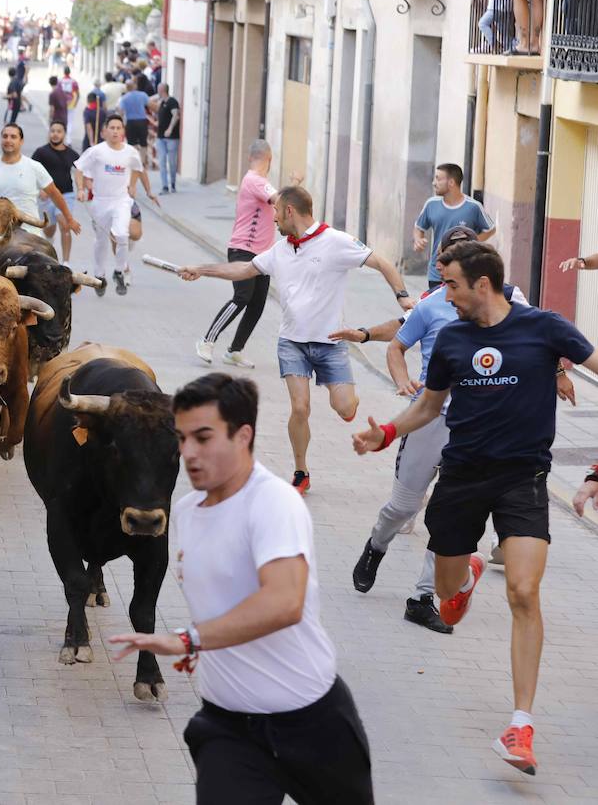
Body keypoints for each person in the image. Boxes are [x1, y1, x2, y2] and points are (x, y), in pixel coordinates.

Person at [352, 240, 598, 776]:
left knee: (524, 592)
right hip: (461, 476)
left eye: (454, 285)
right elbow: (429, 405)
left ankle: (521, 724)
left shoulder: (545, 327)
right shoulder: (453, 340)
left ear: (481, 284)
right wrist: (388, 431)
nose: (447, 294)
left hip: (522, 477)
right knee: (443, 596)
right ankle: (462, 581)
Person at [111, 374, 373, 805]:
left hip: (310, 722)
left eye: (203, 437)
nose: (189, 453)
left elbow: (284, 602)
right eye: (181, 438)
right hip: (228, 727)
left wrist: (189, 640)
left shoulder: (273, 504)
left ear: (243, 435)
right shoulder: (187, 510)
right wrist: (207, 649)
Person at [333, 228, 558, 633]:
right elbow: (397, 342)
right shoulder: (434, 303)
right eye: (443, 261)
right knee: (404, 506)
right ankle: (376, 545)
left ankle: (422, 596)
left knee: (449, 512)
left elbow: (538, 333)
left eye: (453, 263)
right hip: (429, 417)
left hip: (478, 427)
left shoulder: (512, 299)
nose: (444, 273)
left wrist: (556, 371)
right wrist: (400, 380)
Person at [179, 186, 416, 495]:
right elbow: (243, 269)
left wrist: (403, 298)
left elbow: (382, 263)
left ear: (290, 211)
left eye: (276, 212)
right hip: (292, 342)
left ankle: (347, 400)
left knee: (345, 408)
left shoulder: (336, 242)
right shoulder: (280, 250)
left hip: (330, 342)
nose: (274, 218)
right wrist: (201, 269)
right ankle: (301, 471)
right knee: (300, 408)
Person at [196, 140, 282, 369]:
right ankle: (207, 341)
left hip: (262, 254)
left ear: (249, 157)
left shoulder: (259, 182)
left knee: (257, 304)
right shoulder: (255, 180)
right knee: (242, 297)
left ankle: (234, 351)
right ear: (270, 159)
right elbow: (279, 201)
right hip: (243, 249)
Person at [76, 115, 161, 297]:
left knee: (122, 234)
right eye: (112, 128)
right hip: (100, 202)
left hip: (122, 201)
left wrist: (148, 191)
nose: (115, 131)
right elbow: (79, 168)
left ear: (123, 131)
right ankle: (99, 277)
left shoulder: (130, 152)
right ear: (105, 131)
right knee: (101, 241)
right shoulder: (96, 151)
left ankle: (119, 271)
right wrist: (81, 189)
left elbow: (140, 170)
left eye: (118, 128)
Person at [0, 124, 82, 235]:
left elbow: (54, 193)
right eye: (5, 136)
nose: (8, 140)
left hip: (31, 232)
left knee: (46, 254)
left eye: (13, 137)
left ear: (21, 141)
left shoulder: (34, 167)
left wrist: (69, 219)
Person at [413, 163, 496, 289]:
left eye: (438, 178)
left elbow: (490, 229)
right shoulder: (431, 204)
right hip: (437, 272)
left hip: (465, 273)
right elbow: (419, 227)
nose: (434, 183)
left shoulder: (473, 207)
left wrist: (471, 243)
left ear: (451, 182)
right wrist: (418, 239)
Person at [31, 120, 80, 262]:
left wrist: (83, 187)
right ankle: (50, 240)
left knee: (64, 225)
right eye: (52, 131)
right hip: (47, 197)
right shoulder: (41, 152)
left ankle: (66, 263)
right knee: (49, 230)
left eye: (59, 131)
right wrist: (40, 189)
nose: (55, 134)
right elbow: (31, 172)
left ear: (64, 134)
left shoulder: (71, 154)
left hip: (66, 195)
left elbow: (82, 169)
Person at [155, 83, 181, 194]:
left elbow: (176, 115)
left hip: (172, 137)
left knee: (172, 162)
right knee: (161, 161)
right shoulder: (161, 102)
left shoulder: (172, 102)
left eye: (158, 89)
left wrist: (170, 129)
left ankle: (173, 184)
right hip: (160, 137)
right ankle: (165, 186)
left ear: (162, 90)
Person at [59, 66, 80, 142]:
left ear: (64, 72)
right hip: (71, 103)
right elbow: (78, 94)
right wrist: (76, 103)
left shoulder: (60, 81)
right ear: (69, 72)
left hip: (62, 103)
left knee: (62, 121)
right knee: (70, 121)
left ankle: (62, 139)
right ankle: (69, 140)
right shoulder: (74, 82)